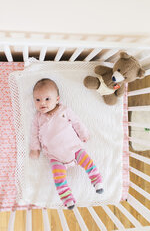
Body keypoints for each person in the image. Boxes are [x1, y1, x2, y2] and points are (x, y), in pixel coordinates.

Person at [29, 78, 103, 210]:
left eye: (47, 99)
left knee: (88, 163)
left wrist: (83, 134)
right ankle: (67, 198)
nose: (42, 103)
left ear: (57, 99)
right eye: (37, 100)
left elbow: (76, 122)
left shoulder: (64, 110)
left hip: (74, 149)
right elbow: (34, 134)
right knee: (58, 179)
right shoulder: (38, 118)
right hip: (55, 157)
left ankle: (97, 181)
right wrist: (35, 149)